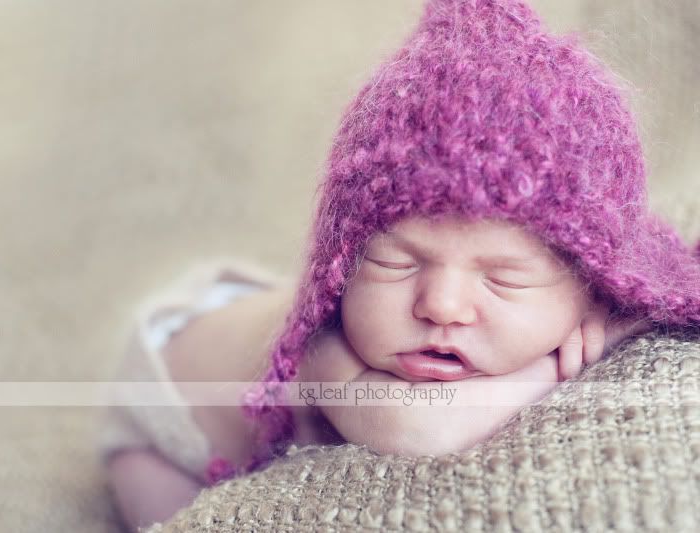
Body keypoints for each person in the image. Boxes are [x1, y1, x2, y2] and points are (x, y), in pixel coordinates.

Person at [98, 0, 700, 530]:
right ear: (343, 258)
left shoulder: (577, 279)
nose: (440, 304)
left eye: (501, 278)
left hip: (236, 306)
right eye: (397, 262)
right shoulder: (324, 347)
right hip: (166, 389)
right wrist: (550, 367)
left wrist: (616, 313)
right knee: (161, 502)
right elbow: (421, 430)